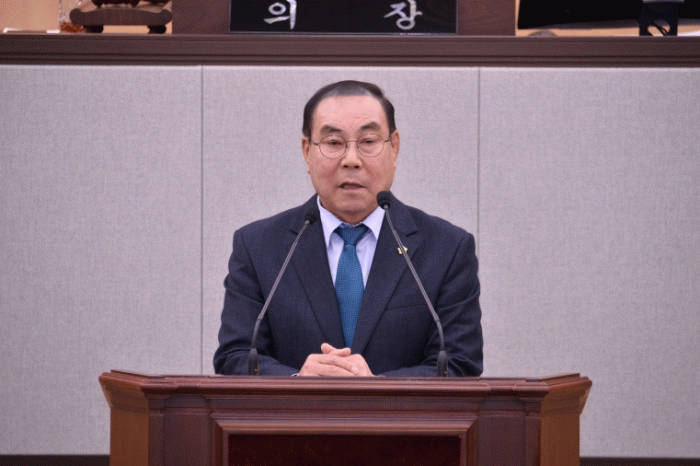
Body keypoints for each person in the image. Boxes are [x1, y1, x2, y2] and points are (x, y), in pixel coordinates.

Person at [214, 80, 482, 377]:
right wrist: (296, 382)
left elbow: (459, 363)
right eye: (333, 143)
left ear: (394, 147)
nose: (351, 160)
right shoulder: (258, 247)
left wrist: (378, 388)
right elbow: (235, 357)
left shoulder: (446, 249)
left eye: (368, 141)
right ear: (307, 151)